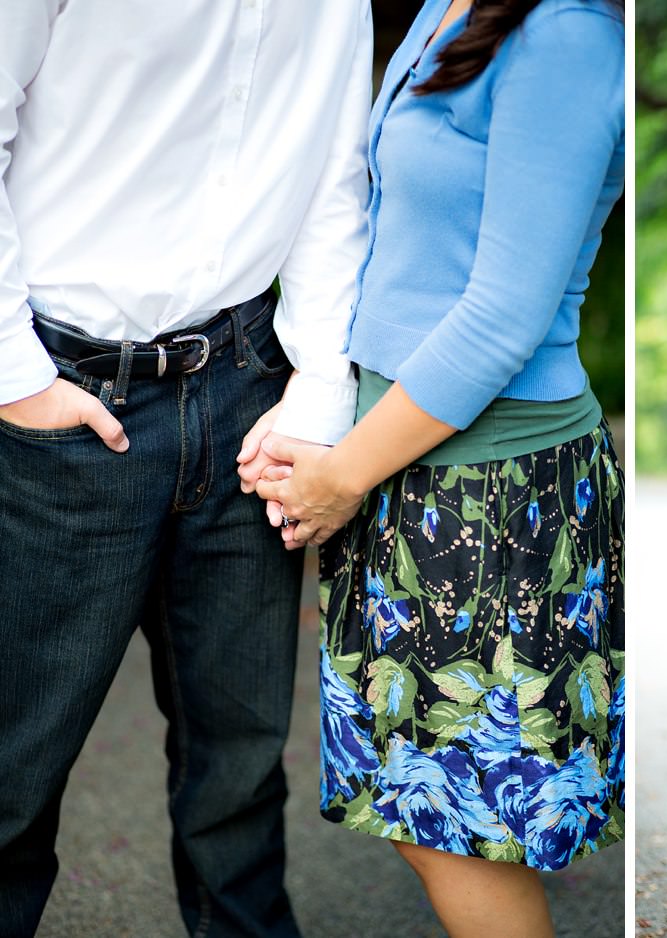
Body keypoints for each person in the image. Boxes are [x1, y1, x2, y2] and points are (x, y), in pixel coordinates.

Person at [252, 1, 625, 935]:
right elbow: (393, 246)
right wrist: (332, 422)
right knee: (425, 805)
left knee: (460, 819)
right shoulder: (447, 5)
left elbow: (504, 312)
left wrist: (343, 474)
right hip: (408, 460)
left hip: (496, 492)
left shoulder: (565, 33)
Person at [0, 4, 371, 936]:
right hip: (66, 387)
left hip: (250, 384)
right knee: (13, 769)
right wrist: (12, 375)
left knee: (239, 768)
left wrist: (323, 388)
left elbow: (335, 168)